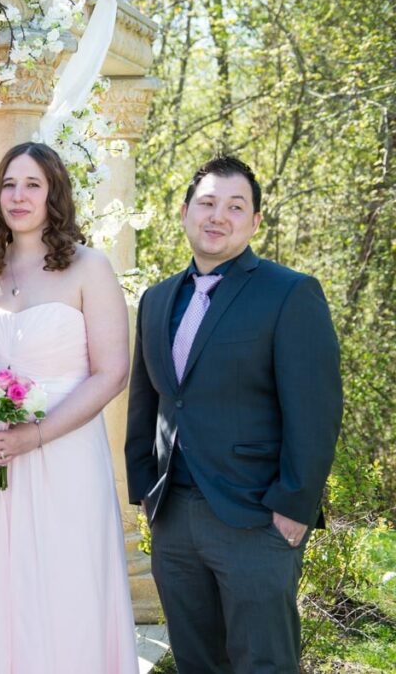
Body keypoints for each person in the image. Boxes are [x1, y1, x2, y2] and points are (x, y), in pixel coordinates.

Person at [124, 155, 342, 673]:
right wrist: (144, 490)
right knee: (197, 662)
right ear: (184, 212)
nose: (217, 216)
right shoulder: (156, 300)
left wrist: (294, 508)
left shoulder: (289, 293)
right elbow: (148, 401)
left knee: (263, 662)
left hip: (256, 518)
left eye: (235, 206)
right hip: (174, 517)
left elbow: (316, 409)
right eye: (207, 203)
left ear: (255, 221)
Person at [0, 142, 138, 673]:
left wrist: (37, 434)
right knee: (0, 584)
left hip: (64, 456)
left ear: (55, 194)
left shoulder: (89, 268)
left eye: (32, 184)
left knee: (65, 583)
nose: (19, 196)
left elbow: (112, 372)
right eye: (9, 184)